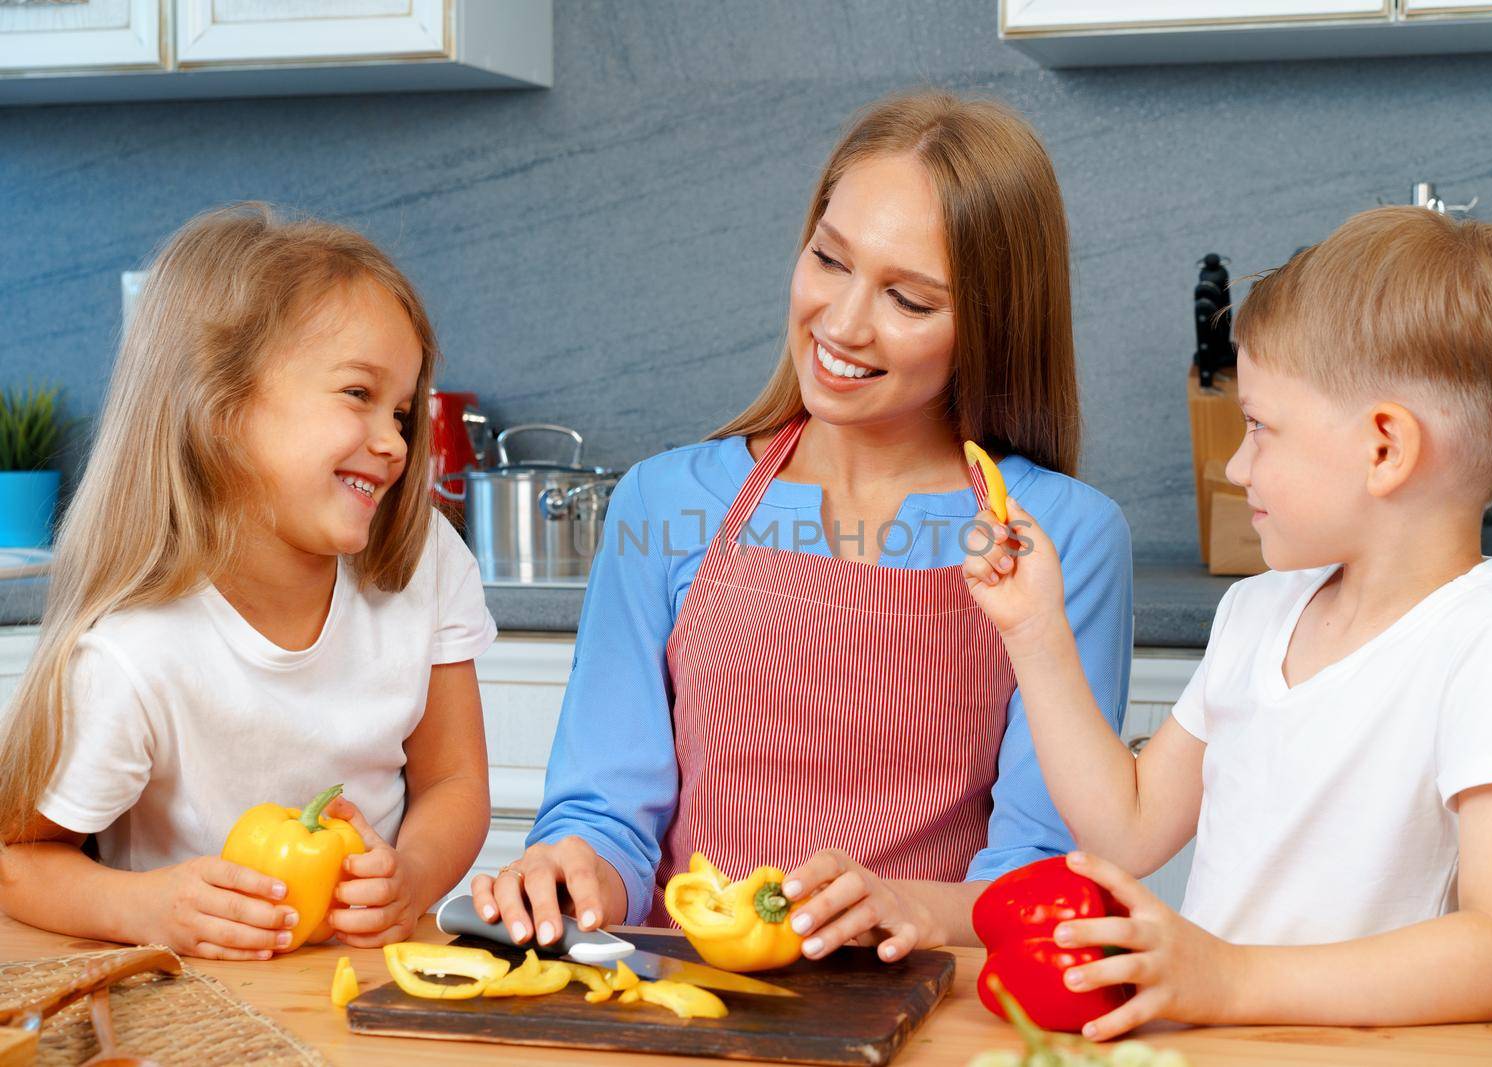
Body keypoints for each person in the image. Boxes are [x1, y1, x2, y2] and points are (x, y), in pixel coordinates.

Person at [473, 90, 1134, 964]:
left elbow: (1041, 880)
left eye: (910, 299)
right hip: (691, 1007)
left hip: (931, 1009)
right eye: (830, 259)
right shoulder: (663, 503)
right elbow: (608, 820)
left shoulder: (1059, 536)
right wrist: (573, 869)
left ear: (991, 324)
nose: (844, 322)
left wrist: (910, 908)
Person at [964, 206, 1492, 1039]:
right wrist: (1035, 632)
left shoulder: (1491, 644)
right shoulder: (1257, 612)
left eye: (1260, 426)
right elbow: (1127, 826)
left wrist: (1232, 977)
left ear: (1384, 449)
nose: (1236, 463)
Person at [0, 203, 497, 959]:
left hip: (369, 981)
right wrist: (147, 908)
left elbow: (454, 779)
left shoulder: (421, 556)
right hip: (197, 1002)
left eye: (401, 410)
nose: (394, 442)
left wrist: (413, 877)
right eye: (359, 395)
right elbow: (17, 862)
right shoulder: (136, 651)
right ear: (222, 409)